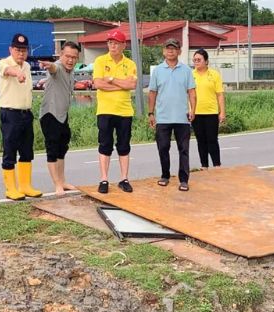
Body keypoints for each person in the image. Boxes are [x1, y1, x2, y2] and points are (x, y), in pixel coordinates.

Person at [92, 29, 138, 194]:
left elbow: (131, 85)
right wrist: (120, 83)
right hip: (105, 110)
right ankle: (104, 179)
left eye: (116, 43)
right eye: (110, 42)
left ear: (123, 45)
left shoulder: (130, 64)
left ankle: (124, 178)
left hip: (125, 111)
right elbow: (98, 84)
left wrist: (111, 79)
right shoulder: (100, 60)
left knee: (124, 145)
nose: (112, 45)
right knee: (105, 144)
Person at [148, 38, 196, 191]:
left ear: (179, 51)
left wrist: (193, 110)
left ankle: (183, 179)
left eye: (174, 48)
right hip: (163, 117)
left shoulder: (186, 70)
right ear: (163, 51)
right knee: (163, 147)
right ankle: (165, 175)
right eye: (168, 48)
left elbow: (192, 92)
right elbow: (152, 93)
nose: (170, 51)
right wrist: (151, 113)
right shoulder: (158, 71)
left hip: (182, 118)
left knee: (184, 150)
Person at [0, 33, 41, 200]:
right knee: (10, 150)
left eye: (24, 50)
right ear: (11, 49)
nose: (21, 53)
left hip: (25, 113)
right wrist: (17, 73)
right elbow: (8, 71)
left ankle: (25, 185)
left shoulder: (28, 66)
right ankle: (10, 188)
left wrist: (22, 71)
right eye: (17, 49)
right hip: (10, 113)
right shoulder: (4, 63)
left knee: (26, 150)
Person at [38, 41, 80, 195]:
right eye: (67, 56)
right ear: (61, 55)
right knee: (53, 149)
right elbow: (53, 68)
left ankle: (62, 181)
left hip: (63, 115)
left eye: (74, 57)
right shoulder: (58, 67)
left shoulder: (72, 71)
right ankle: (57, 185)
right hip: (50, 115)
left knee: (62, 149)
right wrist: (48, 65)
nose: (70, 60)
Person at [191, 48, 226, 170]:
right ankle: (204, 165)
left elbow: (220, 94)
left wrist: (222, 112)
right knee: (201, 140)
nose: (196, 62)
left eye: (199, 60)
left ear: (206, 61)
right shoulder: (191, 75)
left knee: (212, 139)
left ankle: (217, 164)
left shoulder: (214, 74)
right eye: (194, 60)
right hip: (196, 113)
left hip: (211, 112)